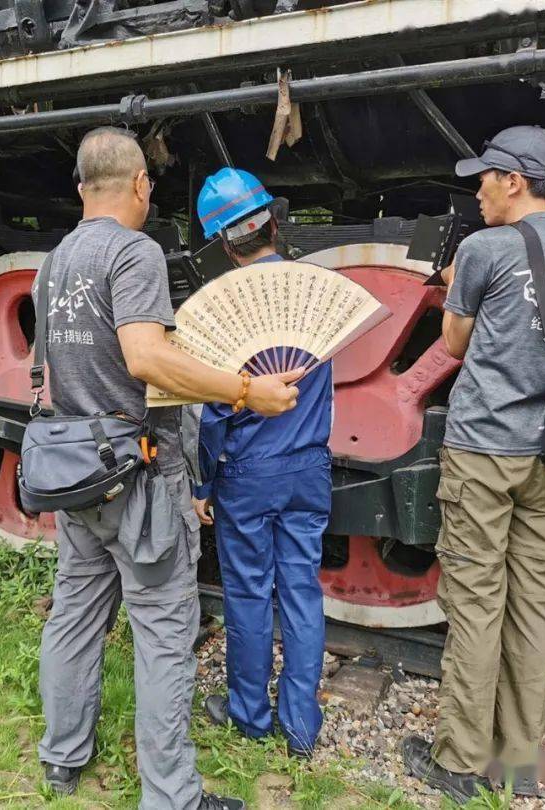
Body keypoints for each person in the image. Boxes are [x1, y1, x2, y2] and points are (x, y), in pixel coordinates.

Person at [35, 128, 303, 810]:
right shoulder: (134, 252)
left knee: (74, 616)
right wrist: (246, 391)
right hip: (141, 478)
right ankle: (173, 797)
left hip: (77, 472)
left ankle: (62, 757)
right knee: (162, 633)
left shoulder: (54, 262)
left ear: (80, 188)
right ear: (140, 185)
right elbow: (145, 358)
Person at [401, 126, 545, 802]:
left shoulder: (484, 249)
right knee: (534, 602)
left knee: (475, 601)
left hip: (485, 451)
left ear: (515, 182)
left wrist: (457, 290)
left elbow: (454, 342)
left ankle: (461, 761)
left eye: (486, 178)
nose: (478, 191)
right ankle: (519, 761)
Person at [188, 168, 332, 758]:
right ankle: (300, 728)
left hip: (247, 474)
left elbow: (212, 415)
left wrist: (203, 482)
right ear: (274, 222)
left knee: (248, 594)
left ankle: (249, 715)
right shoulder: (317, 292)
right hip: (309, 467)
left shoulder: (225, 307)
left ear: (225, 244)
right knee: (302, 591)